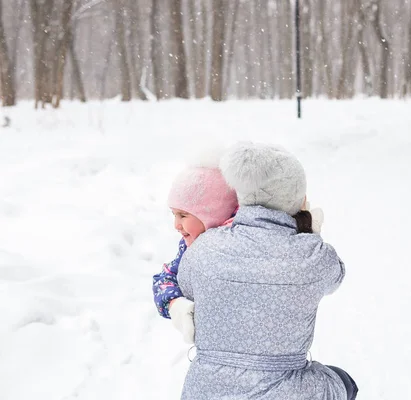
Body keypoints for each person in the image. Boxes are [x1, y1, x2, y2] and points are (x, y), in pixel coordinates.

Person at [177, 142, 358, 400]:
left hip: (204, 391)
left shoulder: (205, 246)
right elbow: (336, 276)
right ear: (296, 198)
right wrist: (309, 233)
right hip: (285, 391)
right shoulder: (312, 254)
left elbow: (186, 285)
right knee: (342, 382)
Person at [152, 160, 238, 343]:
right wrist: (175, 304)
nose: (176, 225)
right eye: (173, 214)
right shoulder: (190, 247)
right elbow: (166, 277)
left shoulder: (241, 244)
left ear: (213, 213)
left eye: (183, 215)